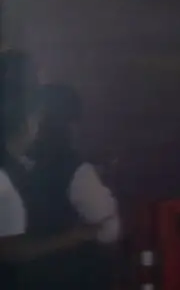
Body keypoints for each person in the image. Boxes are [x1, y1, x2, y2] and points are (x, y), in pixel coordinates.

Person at [1, 72, 106, 281]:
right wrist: (74, 236)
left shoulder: (21, 166)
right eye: (37, 118)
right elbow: (10, 249)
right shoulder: (8, 172)